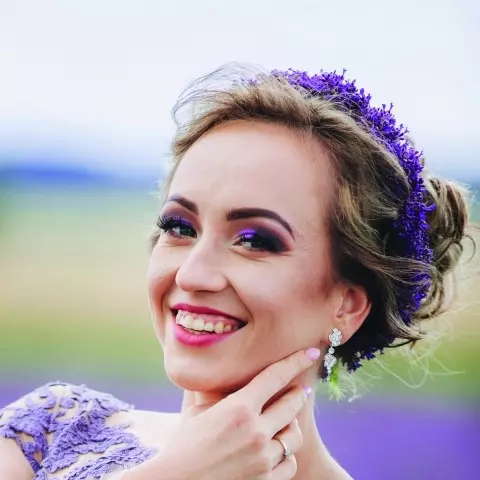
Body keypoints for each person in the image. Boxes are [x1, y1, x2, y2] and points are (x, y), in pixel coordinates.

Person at [0, 65, 476, 480]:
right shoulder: (48, 429)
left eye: (254, 240)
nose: (192, 274)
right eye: (179, 227)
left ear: (347, 305)